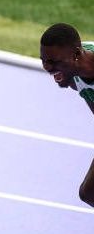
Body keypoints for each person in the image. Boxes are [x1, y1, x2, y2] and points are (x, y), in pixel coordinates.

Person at [40, 23, 94, 208]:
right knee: (89, 193)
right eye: (44, 60)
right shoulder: (72, 71)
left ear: (77, 55)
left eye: (54, 62)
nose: (47, 67)